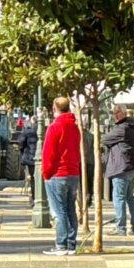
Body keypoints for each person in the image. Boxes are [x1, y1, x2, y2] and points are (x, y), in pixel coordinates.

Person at [41, 97, 82, 256]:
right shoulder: (74, 127)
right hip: (73, 173)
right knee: (70, 209)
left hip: (57, 173)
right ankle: (71, 244)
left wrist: (46, 173)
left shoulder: (55, 127)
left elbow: (48, 152)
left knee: (59, 211)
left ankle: (61, 244)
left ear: (54, 108)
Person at [103, 104, 134, 236]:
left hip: (121, 167)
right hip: (132, 166)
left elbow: (104, 139)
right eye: (113, 112)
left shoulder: (122, 128)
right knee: (129, 197)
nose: (114, 115)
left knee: (119, 197)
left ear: (124, 113)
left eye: (117, 112)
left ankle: (121, 228)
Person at [18, 115, 39, 206]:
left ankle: (34, 199)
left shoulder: (27, 132)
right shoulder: (46, 130)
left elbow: (21, 143)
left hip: (31, 159)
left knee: (33, 179)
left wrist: (23, 152)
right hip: (42, 159)